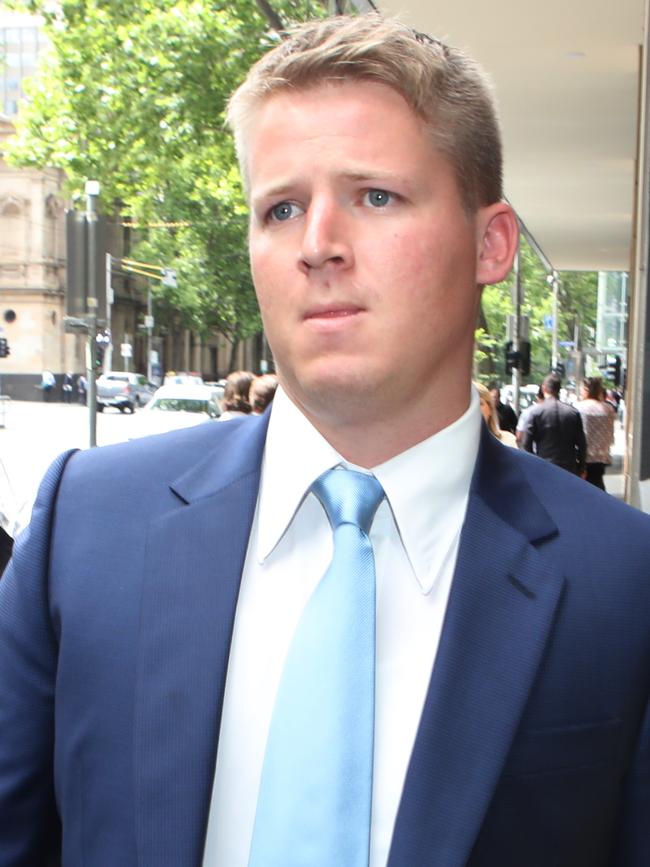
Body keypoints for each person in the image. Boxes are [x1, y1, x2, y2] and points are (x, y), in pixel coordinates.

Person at [1, 16, 649, 867]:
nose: (317, 246)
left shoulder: (625, 582)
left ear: (491, 244)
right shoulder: (87, 525)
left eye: (375, 196)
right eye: (282, 208)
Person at [520, 373, 587, 475]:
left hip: (544, 466)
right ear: (559, 388)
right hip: (569, 468)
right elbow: (582, 443)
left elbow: (526, 443)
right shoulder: (573, 412)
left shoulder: (535, 412)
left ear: (543, 388)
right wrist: (582, 467)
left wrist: (532, 465)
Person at [576, 376, 615, 490]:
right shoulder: (609, 409)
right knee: (598, 484)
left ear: (586, 390)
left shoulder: (578, 407)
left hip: (583, 457)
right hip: (601, 456)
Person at [476, 381, 517, 447]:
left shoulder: (507, 440)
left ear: (490, 408)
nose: (474, 409)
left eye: (480, 403)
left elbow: (515, 425)